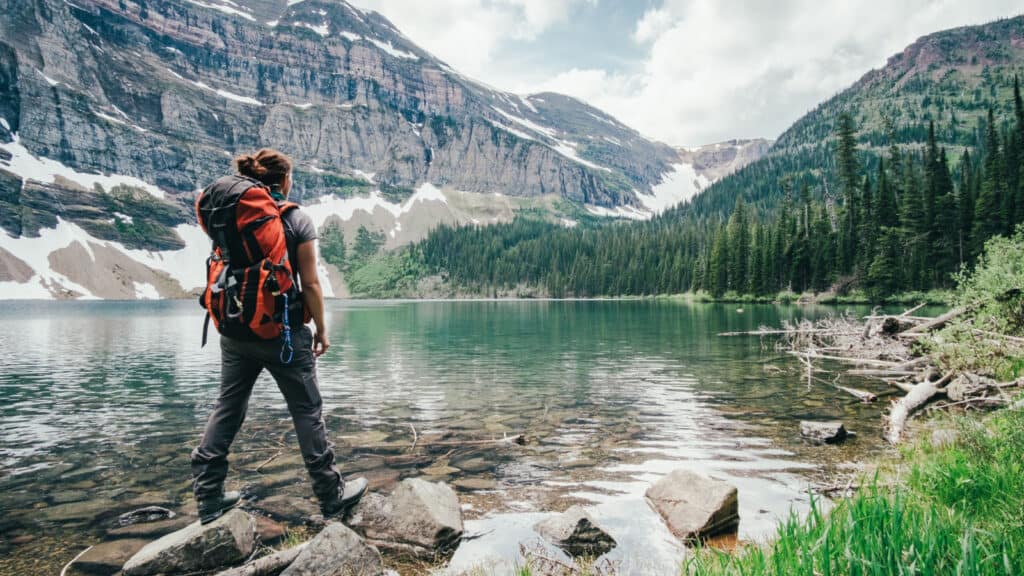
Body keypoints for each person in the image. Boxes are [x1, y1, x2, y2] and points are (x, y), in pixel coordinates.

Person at [190, 148, 367, 524]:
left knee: (228, 407)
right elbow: (312, 283)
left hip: (235, 331)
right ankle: (331, 495)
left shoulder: (232, 217)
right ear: (284, 180)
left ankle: (208, 499)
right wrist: (321, 329)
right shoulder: (295, 219)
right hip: (283, 334)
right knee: (306, 411)